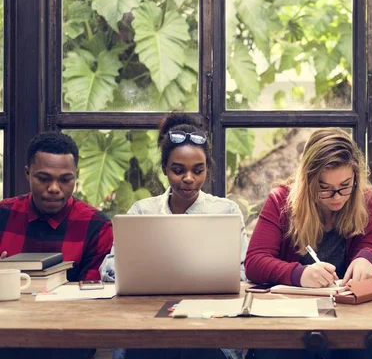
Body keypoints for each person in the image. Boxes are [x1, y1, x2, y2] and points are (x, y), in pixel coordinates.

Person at [100, 113, 248, 359]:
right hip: (148, 322)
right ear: (165, 169)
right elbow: (107, 269)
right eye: (178, 170)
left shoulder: (225, 211)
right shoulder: (142, 211)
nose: (188, 179)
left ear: (207, 170)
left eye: (197, 170)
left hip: (208, 324)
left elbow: (242, 271)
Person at [245, 128, 372, 359]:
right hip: (289, 317)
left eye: (345, 185)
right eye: (324, 188)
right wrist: (299, 274)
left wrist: (367, 258)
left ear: (356, 177)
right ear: (307, 180)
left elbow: (371, 245)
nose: (337, 196)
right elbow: (255, 262)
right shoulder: (281, 200)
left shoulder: (366, 201)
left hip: (348, 318)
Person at [0, 131, 113, 359]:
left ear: (75, 177)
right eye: (43, 178)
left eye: (65, 179)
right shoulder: (3, 214)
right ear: (27, 174)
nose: (54, 188)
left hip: (67, 343)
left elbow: (93, 299)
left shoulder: (96, 226)